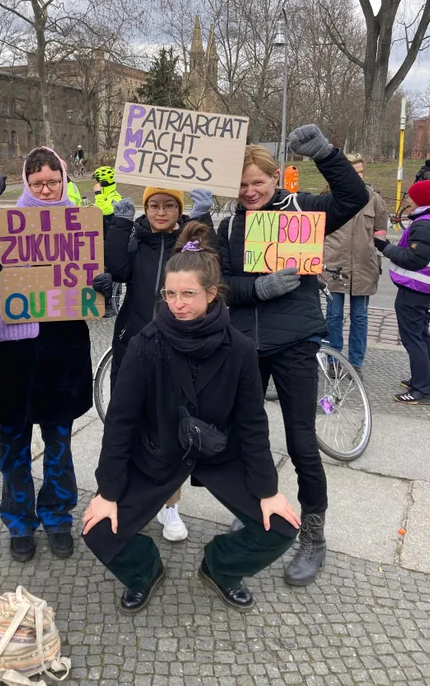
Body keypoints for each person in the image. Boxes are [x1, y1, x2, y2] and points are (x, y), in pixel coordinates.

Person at [83, 221, 300, 613]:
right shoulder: (144, 345)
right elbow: (120, 423)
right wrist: (107, 492)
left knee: (281, 528)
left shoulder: (239, 349)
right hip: (159, 452)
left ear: (211, 294)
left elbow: (253, 423)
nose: (177, 303)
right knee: (98, 529)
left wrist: (268, 491)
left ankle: (220, 568)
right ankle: (145, 570)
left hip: (220, 453)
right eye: (170, 294)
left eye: (188, 294)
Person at [218, 126, 368, 586]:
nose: (249, 192)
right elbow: (221, 285)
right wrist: (256, 288)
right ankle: (256, 509)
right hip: (245, 344)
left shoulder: (300, 209)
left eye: (257, 183)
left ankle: (313, 536)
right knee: (246, 437)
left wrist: (326, 153)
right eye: (241, 185)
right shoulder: (227, 222)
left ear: (274, 178)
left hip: (295, 342)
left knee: (302, 442)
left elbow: (353, 197)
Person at [0, 147, 92, 563]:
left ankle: (57, 516)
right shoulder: (7, 222)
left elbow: (103, 271)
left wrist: (101, 280)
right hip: (16, 350)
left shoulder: (80, 221)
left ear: (64, 178)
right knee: (13, 444)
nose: (47, 190)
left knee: (59, 443)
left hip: (62, 351)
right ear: (26, 184)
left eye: (53, 181)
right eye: (38, 184)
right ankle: (19, 520)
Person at [92, 184, 214, 541]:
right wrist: (119, 224)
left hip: (179, 347)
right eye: (154, 206)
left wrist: (204, 215)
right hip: (133, 342)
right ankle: (126, 497)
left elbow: (212, 265)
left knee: (170, 430)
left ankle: (169, 505)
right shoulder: (136, 239)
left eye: (169, 206)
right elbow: (116, 267)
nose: (161, 212)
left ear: (179, 209)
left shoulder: (190, 242)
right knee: (126, 423)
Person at [322, 155, 388, 373]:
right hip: (334, 265)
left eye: (360, 172)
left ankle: (356, 363)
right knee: (334, 315)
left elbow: (380, 232)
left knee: (360, 317)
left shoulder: (374, 199)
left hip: (364, 267)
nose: (357, 176)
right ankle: (334, 360)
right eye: (353, 172)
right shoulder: (329, 197)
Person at [375, 180, 430, 403]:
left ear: (421, 200)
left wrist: (385, 247)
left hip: (414, 288)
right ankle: (424, 379)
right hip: (422, 288)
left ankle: (421, 390)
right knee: (421, 335)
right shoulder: (425, 221)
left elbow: (414, 258)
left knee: (413, 338)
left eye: (411, 197)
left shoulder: (424, 225)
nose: (407, 201)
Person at [92, 166, 123, 318]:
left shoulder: (115, 197)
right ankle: (103, 303)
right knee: (102, 272)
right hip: (101, 239)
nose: (95, 184)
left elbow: (104, 211)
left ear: (103, 182)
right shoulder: (105, 196)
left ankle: (113, 305)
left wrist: (97, 194)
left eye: (97, 181)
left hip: (112, 241)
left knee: (112, 272)